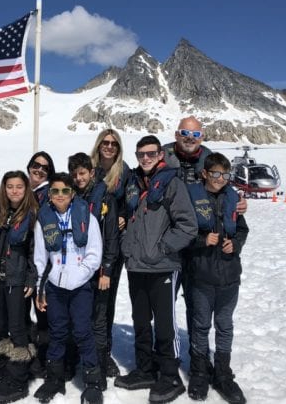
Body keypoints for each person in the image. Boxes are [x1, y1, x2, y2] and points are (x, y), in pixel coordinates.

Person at [114, 135, 197, 404]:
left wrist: (161, 248)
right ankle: (145, 368)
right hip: (136, 266)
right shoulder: (134, 183)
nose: (146, 158)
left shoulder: (172, 183)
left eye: (151, 153)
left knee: (164, 324)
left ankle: (170, 374)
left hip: (163, 266)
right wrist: (128, 247)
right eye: (141, 154)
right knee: (140, 322)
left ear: (161, 154)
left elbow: (187, 225)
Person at [33, 173, 103, 404]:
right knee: (58, 332)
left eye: (65, 191)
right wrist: (40, 289)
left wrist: (80, 273)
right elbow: (40, 259)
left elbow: (94, 253)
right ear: (49, 195)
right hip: (54, 286)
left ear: (72, 193)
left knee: (83, 332)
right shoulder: (43, 220)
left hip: (80, 286)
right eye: (55, 191)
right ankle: (54, 379)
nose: (60, 195)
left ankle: (93, 381)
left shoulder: (87, 217)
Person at [183, 153, 248, 404]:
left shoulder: (233, 198)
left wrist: (237, 243)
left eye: (224, 174)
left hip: (230, 276)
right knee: (200, 325)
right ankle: (200, 371)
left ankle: (223, 373)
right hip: (201, 275)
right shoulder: (192, 198)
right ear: (205, 174)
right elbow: (183, 231)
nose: (220, 179)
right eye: (215, 174)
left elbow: (241, 228)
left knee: (225, 325)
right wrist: (201, 240)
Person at [0, 171, 38, 403]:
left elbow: (35, 250)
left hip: (16, 279)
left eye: (19, 186)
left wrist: (30, 277)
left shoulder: (31, 215)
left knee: (17, 326)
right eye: (10, 186)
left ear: (25, 190)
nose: (14, 191)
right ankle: (0, 369)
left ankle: (18, 378)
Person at [68, 152, 119, 390]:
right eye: (75, 174)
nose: (79, 178)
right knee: (77, 318)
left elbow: (111, 237)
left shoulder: (105, 198)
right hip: (74, 270)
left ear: (91, 172)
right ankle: (77, 361)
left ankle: (97, 365)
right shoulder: (68, 197)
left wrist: (107, 269)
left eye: (82, 173)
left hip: (97, 270)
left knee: (98, 320)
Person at [89, 128, 130, 377]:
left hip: (112, 247)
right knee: (85, 300)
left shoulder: (124, 173)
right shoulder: (88, 169)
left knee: (106, 301)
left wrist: (124, 215)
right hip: (86, 246)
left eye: (114, 144)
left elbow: (132, 200)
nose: (109, 147)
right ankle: (84, 350)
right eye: (105, 142)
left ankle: (103, 352)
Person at [24, 151, 56, 376]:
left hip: (40, 260)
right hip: (18, 260)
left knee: (43, 311)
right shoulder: (18, 188)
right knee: (20, 314)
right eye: (36, 165)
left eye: (45, 168)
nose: (39, 170)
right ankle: (24, 355)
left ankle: (44, 359)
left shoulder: (47, 194)